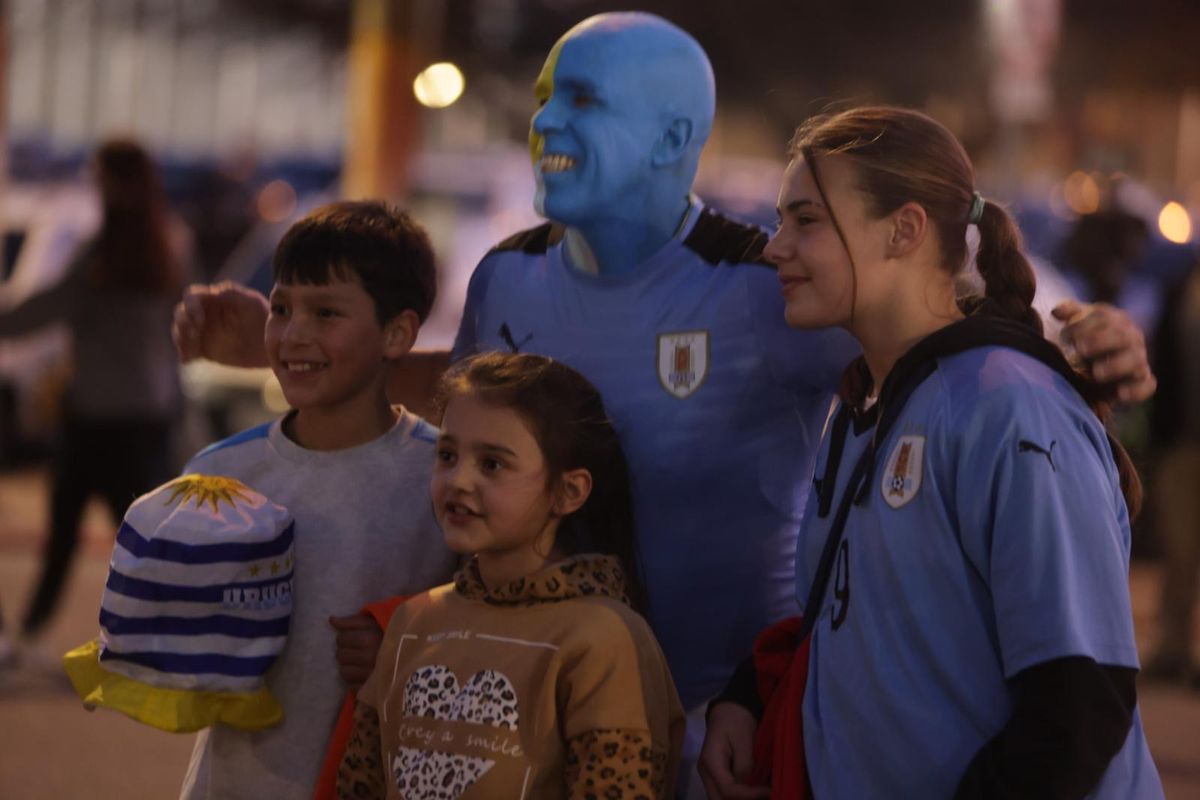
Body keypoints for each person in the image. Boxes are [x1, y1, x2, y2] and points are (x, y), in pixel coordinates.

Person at [171, 13, 1157, 794]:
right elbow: (475, 415)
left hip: (714, 734)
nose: (545, 123)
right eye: (547, 97)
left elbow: (956, 341)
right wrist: (298, 338)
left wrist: (1084, 344)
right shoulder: (509, 281)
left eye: (584, 102)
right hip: (540, 713)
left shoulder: (769, 292)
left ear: (675, 137)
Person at [701, 106, 1163, 799]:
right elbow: (872, 619)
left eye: (806, 220)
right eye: (779, 220)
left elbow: (1080, 698)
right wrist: (749, 696)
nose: (775, 247)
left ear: (905, 229)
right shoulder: (863, 406)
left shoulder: (1010, 406)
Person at [177, 201, 457, 799]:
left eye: (325, 311)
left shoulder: (444, 478)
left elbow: (490, 622)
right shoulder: (218, 473)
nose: (293, 333)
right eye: (281, 309)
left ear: (398, 333)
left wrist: (407, 643)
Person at [337, 351, 684, 799]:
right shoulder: (414, 622)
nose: (458, 480)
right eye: (447, 454)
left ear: (569, 491)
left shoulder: (602, 640)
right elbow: (360, 783)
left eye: (492, 464)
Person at [0, 139, 187, 641]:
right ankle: (170, 635)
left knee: (68, 534)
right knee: (147, 538)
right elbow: (183, 336)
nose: (94, 185)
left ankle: (28, 636)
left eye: (99, 175)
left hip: (97, 417)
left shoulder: (101, 257)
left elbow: (45, 309)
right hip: (147, 415)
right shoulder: (167, 250)